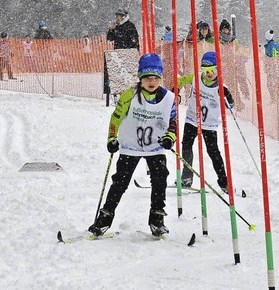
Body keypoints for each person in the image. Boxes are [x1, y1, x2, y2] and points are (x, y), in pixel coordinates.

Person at [88, 53, 177, 238]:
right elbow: (116, 117)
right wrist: (111, 138)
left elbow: (173, 122)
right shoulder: (130, 94)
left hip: (155, 147)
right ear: (140, 78)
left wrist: (170, 137)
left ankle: (157, 220)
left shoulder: (169, 98)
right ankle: (104, 219)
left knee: (160, 180)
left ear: (161, 78)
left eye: (155, 78)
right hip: (130, 146)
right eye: (146, 78)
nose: (151, 82)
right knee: (120, 182)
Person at [178, 51, 234, 192]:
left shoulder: (221, 86)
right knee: (186, 145)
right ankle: (187, 176)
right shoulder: (195, 78)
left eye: (212, 70)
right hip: (192, 118)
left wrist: (228, 99)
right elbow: (180, 80)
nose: (208, 73)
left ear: (218, 70)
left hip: (209, 123)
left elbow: (231, 105)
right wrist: (175, 90)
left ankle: (223, 181)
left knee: (213, 151)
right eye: (205, 70)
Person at [264, 30, 279, 102]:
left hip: (272, 67)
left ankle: (274, 98)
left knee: (270, 83)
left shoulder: (270, 46)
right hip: (275, 67)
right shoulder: (276, 44)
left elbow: (269, 57)